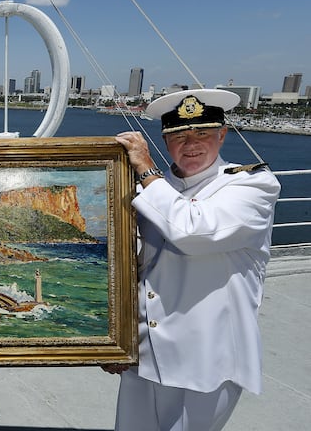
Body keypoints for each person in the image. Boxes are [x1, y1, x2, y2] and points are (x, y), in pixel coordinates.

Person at [107, 88, 281, 431]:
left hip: (208, 358)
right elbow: (130, 267)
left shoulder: (252, 186)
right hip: (147, 351)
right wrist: (115, 341)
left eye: (202, 133)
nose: (191, 144)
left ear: (222, 135)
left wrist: (145, 168)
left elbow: (191, 232)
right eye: (179, 136)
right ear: (165, 140)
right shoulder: (153, 189)